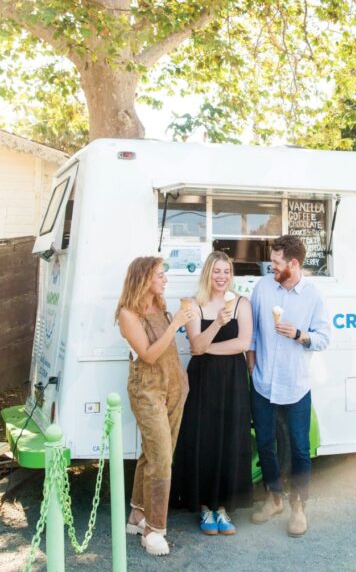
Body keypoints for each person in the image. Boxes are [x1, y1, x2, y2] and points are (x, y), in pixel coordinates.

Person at [248, 234, 328, 537]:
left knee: (299, 448)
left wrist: (299, 335)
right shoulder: (263, 288)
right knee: (266, 444)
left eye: (277, 262)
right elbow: (253, 330)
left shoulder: (313, 296)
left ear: (293, 264)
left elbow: (323, 338)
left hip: (295, 384)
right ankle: (275, 498)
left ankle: (298, 505)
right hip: (263, 382)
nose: (272, 266)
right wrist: (252, 363)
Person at [170, 251, 254, 534]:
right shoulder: (194, 305)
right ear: (208, 273)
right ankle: (206, 508)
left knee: (229, 439)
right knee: (203, 439)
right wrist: (217, 323)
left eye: (227, 272)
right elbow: (195, 344)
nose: (222, 277)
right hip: (202, 380)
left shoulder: (242, 303)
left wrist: (208, 349)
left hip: (232, 379)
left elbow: (243, 343)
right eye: (217, 271)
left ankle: (222, 508)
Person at [116, 256, 192, 556]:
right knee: (161, 459)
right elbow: (148, 355)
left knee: (153, 452)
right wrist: (176, 324)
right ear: (143, 278)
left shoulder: (160, 306)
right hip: (147, 391)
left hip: (174, 387)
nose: (165, 279)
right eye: (160, 274)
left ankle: (137, 515)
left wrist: (181, 381)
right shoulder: (127, 315)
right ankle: (154, 530)